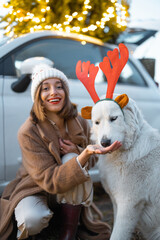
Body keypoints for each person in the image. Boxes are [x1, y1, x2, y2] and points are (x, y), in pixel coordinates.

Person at [0, 64, 122, 240]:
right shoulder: (28, 131)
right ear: (38, 96)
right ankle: (37, 231)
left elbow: (92, 160)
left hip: (69, 192)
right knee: (32, 219)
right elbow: (48, 179)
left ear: (65, 90)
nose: (53, 92)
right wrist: (83, 155)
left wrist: (80, 152)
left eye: (59, 86)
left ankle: (68, 233)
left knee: (73, 157)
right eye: (45, 88)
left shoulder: (79, 120)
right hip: (37, 187)